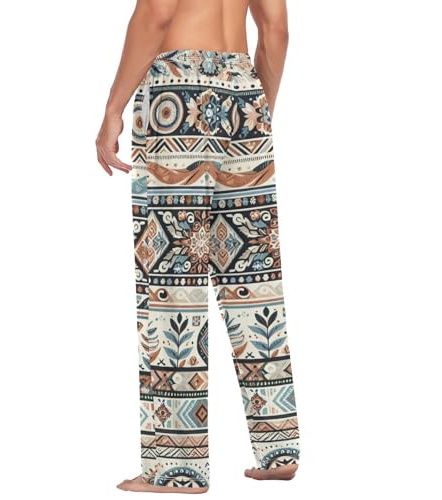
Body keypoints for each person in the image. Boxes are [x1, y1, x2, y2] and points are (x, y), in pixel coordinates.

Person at [95, 0, 300, 493]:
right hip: (245, 94)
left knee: (173, 283)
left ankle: (177, 467)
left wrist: (113, 108)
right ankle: (278, 448)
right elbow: (276, 30)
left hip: (177, 99)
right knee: (253, 280)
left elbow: (157, 13)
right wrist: (256, 110)